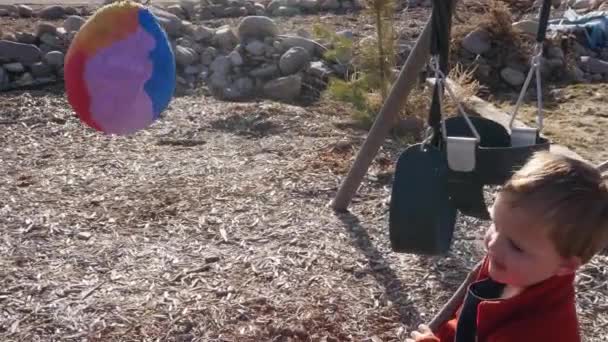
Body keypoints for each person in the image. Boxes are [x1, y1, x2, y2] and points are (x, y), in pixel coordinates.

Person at [407, 151, 608, 342]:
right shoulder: (512, 266)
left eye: (516, 246)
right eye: (495, 224)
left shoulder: (537, 333)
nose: (493, 244)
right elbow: (465, 324)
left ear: (565, 264)